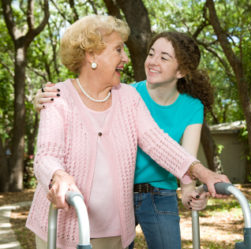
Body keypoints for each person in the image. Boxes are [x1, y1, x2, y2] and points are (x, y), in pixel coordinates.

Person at [34, 27, 230, 249]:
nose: (128, 58)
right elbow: (47, 153)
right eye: (119, 50)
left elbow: (160, 144)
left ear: (181, 71)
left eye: (164, 57)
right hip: (111, 198)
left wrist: (199, 178)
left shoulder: (129, 97)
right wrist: (46, 100)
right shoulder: (123, 92)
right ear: (92, 56)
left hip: (153, 193)